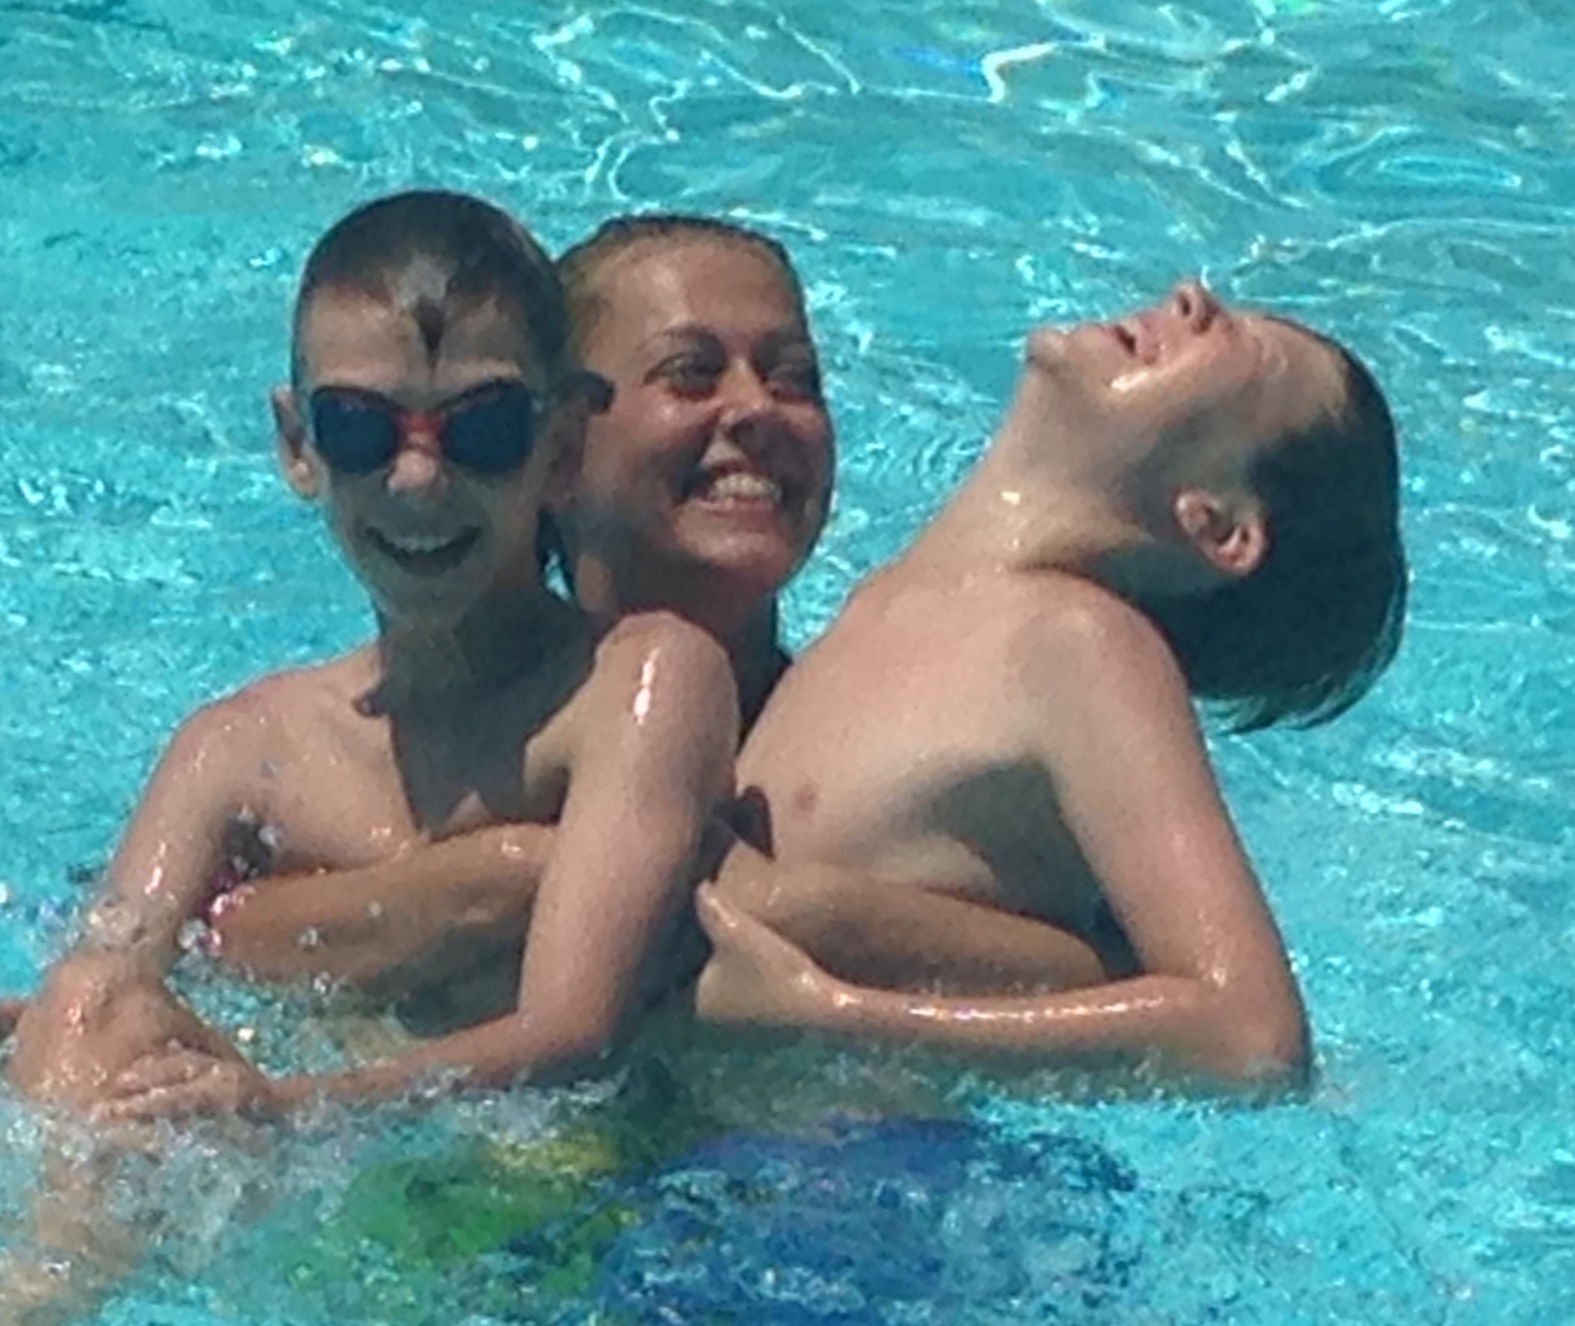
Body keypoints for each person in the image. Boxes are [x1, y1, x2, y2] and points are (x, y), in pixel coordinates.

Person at [5, 189, 738, 1125]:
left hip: (574, 1196)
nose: (419, 480)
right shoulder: (239, 746)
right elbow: (106, 970)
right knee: (89, 1004)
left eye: (481, 429)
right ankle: (37, 1279)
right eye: (360, 428)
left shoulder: (635, 683)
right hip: (344, 1166)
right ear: (296, 446)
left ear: (561, 447)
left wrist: (286, 1107)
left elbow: (569, 1032)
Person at [692, 280, 1407, 1089]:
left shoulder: (1079, 645)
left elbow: (1250, 1034)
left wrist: (836, 1016)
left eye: (1249, 348)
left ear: (1216, 524)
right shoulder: (884, 602)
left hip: (860, 1169)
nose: (1191, 298)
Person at [194, 213, 835, 1002]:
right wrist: (487, 880)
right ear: (569, 439)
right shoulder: (302, 742)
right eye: (689, 374)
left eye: (795, 376)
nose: (755, 408)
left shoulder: (878, 733)